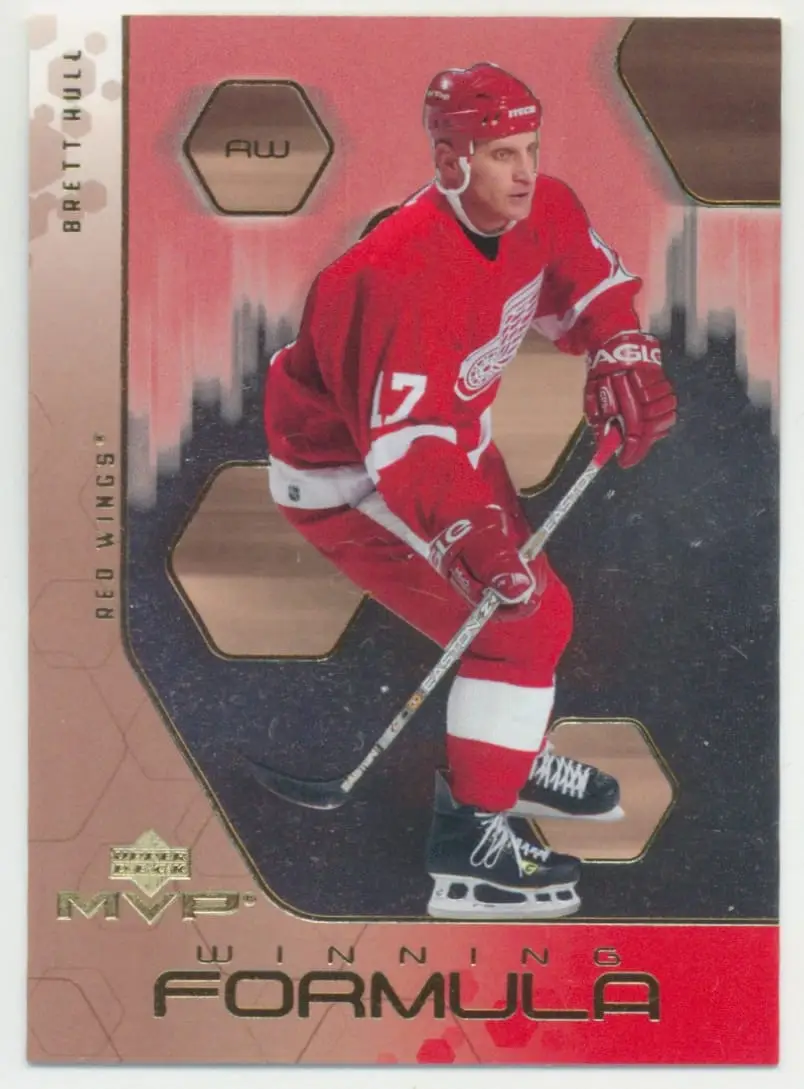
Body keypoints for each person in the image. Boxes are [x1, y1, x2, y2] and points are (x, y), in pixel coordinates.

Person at [263, 62, 677, 919]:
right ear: (451, 161)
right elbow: (402, 448)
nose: (525, 172)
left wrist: (619, 347)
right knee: (519, 625)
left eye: (530, 148)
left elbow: (588, 282)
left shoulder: (540, 207)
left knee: (539, 614)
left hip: (453, 448)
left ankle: (506, 757)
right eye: (501, 154)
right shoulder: (388, 274)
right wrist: (466, 536)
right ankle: (469, 847)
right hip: (353, 478)